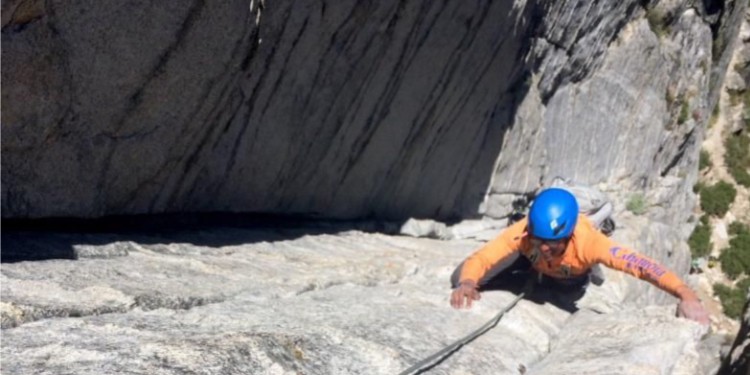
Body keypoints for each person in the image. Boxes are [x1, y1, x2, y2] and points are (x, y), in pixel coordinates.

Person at [449, 187, 710, 325]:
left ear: (569, 234)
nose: (543, 248)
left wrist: (685, 294)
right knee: (458, 275)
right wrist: (468, 282)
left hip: (568, 279)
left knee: (561, 294)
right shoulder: (525, 231)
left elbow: (640, 265)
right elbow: (482, 257)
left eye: (551, 244)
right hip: (530, 265)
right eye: (539, 241)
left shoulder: (590, 243)